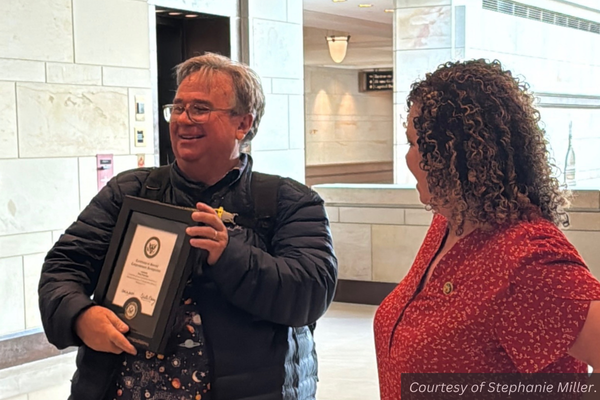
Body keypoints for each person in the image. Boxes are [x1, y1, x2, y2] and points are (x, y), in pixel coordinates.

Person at [39, 53, 337, 400]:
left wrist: (229, 256)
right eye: (177, 107)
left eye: (199, 108)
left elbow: (310, 293)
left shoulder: (287, 201)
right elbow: (64, 266)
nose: (183, 119)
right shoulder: (129, 191)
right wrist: (79, 316)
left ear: (243, 124)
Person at [374, 59, 600, 399]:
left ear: (456, 156)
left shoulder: (524, 258)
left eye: (414, 143)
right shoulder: (450, 223)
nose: (408, 159)